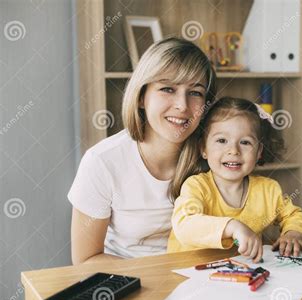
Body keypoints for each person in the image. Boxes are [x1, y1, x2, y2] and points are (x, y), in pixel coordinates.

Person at [68, 38, 216, 264]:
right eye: (167, 89)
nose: (183, 106)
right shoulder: (102, 161)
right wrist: (159, 277)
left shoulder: (213, 156)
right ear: (140, 97)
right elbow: (85, 259)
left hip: (198, 279)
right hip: (125, 281)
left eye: (195, 92)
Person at [168, 97, 302, 262]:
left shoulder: (268, 189)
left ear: (259, 151)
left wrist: (293, 233)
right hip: (188, 269)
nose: (233, 150)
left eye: (245, 142)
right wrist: (231, 227)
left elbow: (294, 215)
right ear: (203, 148)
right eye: (222, 140)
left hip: (238, 271)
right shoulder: (196, 186)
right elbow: (185, 224)